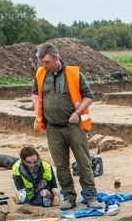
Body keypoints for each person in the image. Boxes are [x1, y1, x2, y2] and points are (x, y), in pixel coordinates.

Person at [34, 43, 98, 211]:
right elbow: (35, 94)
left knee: (83, 162)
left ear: (56, 58)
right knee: (61, 165)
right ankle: (68, 196)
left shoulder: (73, 74)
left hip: (73, 126)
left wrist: (77, 113)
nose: (44, 65)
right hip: (53, 128)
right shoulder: (41, 74)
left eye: (47, 62)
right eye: (42, 62)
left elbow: (88, 96)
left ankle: (90, 196)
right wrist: (37, 114)